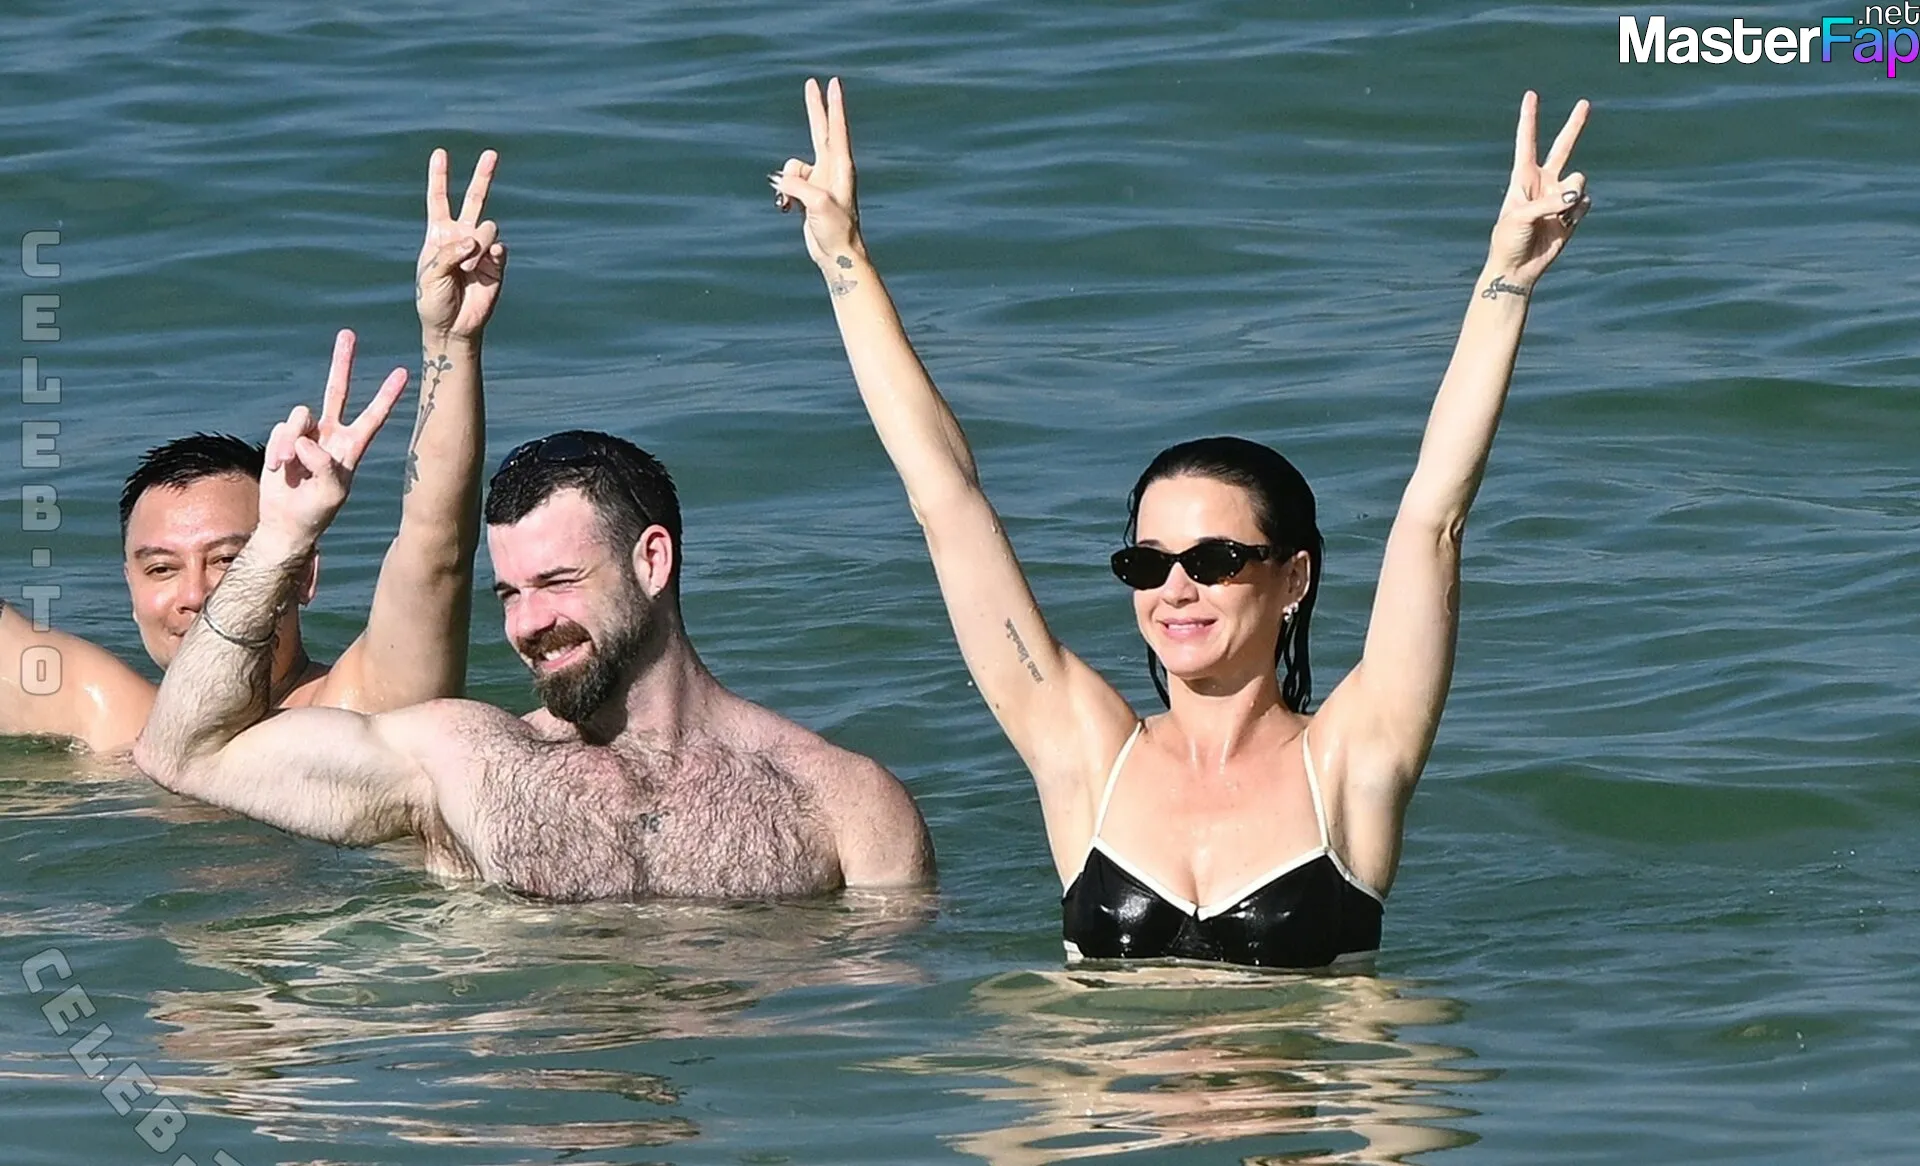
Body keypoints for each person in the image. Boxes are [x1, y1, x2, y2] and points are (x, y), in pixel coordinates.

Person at [771, 79, 1591, 968]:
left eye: (1215, 559)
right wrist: (844, 259)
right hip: (1106, 1065)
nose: (1175, 589)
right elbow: (946, 499)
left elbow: (1434, 515)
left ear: (1294, 577)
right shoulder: (1086, 753)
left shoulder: (1354, 756)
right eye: (1147, 563)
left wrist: (1507, 279)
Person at [131, 399, 934, 898]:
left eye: (556, 583)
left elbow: (881, 1034)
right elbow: (182, 753)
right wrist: (280, 540)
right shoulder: (463, 764)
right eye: (510, 594)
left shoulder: (842, 804)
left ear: (652, 561)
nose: (526, 623)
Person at [1, 148, 506, 754]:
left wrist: (450, 342)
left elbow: (438, 551)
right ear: (130, 588)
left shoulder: (360, 716)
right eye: (160, 569)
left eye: (228, 561)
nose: (194, 595)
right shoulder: (109, 721)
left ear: (304, 574)